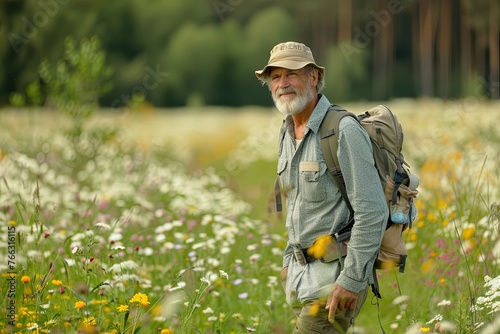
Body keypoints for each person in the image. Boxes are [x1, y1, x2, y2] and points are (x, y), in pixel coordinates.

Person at [255, 41, 389, 333]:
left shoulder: (343, 130)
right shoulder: (287, 130)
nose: (283, 83)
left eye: (291, 73)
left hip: (334, 281)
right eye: (275, 77)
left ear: (313, 77)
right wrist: (288, 265)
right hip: (299, 279)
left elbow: (373, 211)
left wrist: (351, 280)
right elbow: (295, 207)